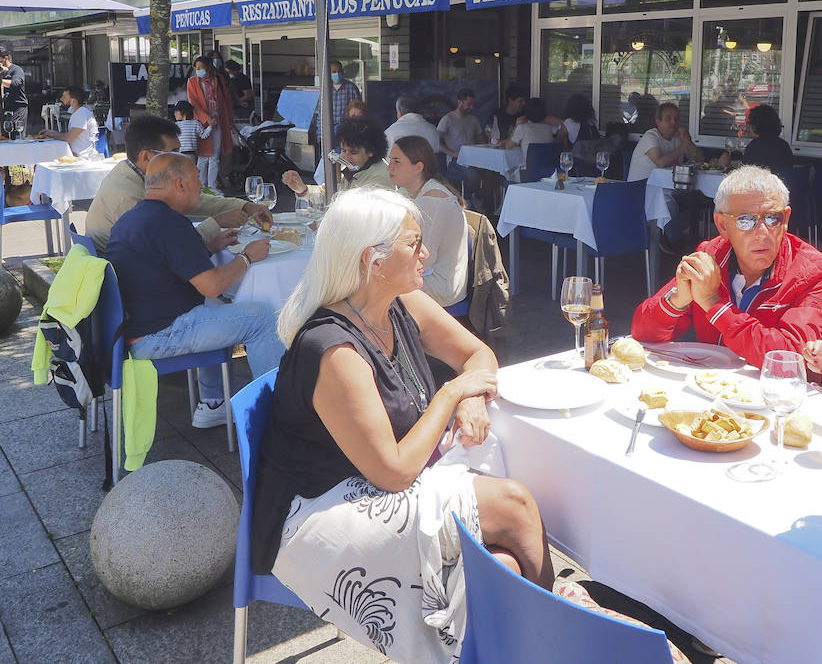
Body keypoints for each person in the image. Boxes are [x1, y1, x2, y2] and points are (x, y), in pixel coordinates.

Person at [252, 187, 554, 662]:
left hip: (386, 481)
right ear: (374, 261)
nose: (426, 253)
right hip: (323, 507)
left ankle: (516, 647)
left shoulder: (399, 304)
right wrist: (453, 392)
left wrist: (473, 392)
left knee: (505, 566)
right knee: (514, 505)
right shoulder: (334, 350)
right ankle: (549, 640)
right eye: (415, 244)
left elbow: (477, 354)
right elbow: (392, 472)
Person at [106, 153, 283, 427]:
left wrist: (212, 247)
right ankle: (275, 414)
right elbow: (212, 286)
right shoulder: (170, 223)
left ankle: (214, 402)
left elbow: (165, 264)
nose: (201, 185)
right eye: (197, 178)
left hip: (133, 328)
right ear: (180, 184)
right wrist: (247, 257)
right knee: (262, 317)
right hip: (158, 335)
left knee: (218, 308)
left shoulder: (134, 218)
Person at [632, 165, 822, 367]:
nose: (763, 233)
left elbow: (790, 359)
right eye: (746, 221)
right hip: (716, 388)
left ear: (785, 220)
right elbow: (643, 333)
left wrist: (715, 305)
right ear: (722, 225)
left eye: (773, 218)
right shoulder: (710, 256)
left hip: (789, 396)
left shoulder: (816, 273)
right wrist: (677, 301)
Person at [85, 115, 271, 251]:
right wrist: (216, 224)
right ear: (146, 156)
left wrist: (245, 206)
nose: (181, 158)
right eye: (173, 152)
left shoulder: (133, 173)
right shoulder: (129, 197)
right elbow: (170, 247)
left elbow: (197, 202)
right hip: (126, 284)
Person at [387, 136, 468, 308]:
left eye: (397, 161)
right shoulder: (409, 191)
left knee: (372, 287)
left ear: (418, 167)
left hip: (440, 284)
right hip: (425, 274)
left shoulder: (432, 201)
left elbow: (423, 259)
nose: (390, 166)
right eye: (390, 160)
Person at [630, 102, 700, 249]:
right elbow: (660, 162)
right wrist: (682, 147)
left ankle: (677, 239)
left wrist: (688, 142)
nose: (673, 123)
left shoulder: (677, 139)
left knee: (698, 202)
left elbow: (700, 159)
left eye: (676, 119)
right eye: (668, 118)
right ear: (658, 121)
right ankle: (667, 240)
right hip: (645, 191)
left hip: (670, 189)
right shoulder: (651, 136)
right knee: (671, 207)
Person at [283, 115, 392, 197]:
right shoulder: (356, 169)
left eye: (354, 153)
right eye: (344, 150)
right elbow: (331, 192)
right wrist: (303, 189)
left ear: (371, 151)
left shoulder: (378, 178)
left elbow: (344, 205)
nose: (346, 157)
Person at [186, 56, 236, 191]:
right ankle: (201, 186)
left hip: (219, 121)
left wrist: (229, 118)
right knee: (203, 156)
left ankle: (212, 186)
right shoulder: (192, 82)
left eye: (201, 67)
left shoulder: (218, 80)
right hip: (202, 123)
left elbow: (226, 100)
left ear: (208, 67)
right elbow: (193, 103)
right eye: (196, 68)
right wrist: (206, 119)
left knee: (214, 156)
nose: (198, 70)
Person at [309, 59, 363, 146]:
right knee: (327, 157)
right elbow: (320, 114)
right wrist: (319, 134)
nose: (337, 74)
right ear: (328, 73)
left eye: (339, 71)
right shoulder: (325, 89)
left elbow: (359, 112)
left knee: (342, 157)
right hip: (328, 131)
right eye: (334, 72)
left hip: (346, 131)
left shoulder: (351, 87)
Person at [41, 86, 99, 157]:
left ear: (73, 101)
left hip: (83, 157)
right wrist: (52, 132)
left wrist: (53, 134)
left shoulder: (81, 114)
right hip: (77, 155)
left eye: (64, 97)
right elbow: (71, 135)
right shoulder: (78, 112)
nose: (61, 99)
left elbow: (69, 138)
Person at [739, 104, 794, 179]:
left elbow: (744, 177)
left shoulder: (754, 147)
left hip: (765, 188)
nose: (747, 127)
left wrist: (727, 166)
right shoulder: (784, 145)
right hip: (783, 188)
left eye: (749, 123)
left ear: (754, 125)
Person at [436, 88, 484, 167]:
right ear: (460, 102)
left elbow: (481, 139)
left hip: (473, 158)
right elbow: (437, 142)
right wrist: (454, 153)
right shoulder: (448, 119)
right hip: (455, 160)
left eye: (473, 104)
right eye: (469, 104)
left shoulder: (473, 119)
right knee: (473, 176)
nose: (472, 107)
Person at [0, 52, 28, 135]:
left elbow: (16, 83)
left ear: (6, 58)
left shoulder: (16, 70)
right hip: (5, 107)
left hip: (18, 106)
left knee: (17, 133)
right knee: (6, 134)